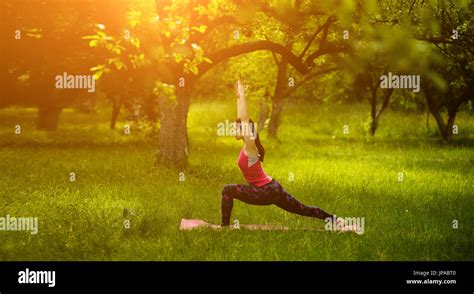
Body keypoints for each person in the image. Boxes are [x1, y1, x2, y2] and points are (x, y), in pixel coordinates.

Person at [221, 80, 360, 234]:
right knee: (302, 209)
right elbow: (241, 118)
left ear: (245, 130)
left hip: (264, 191)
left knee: (227, 190)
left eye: (236, 127)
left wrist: (242, 94)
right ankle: (338, 221)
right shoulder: (247, 146)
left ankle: (225, 229)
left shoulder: (250, 146)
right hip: (273, 187)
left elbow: (244, 118)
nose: (233, 129)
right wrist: (238, 97)